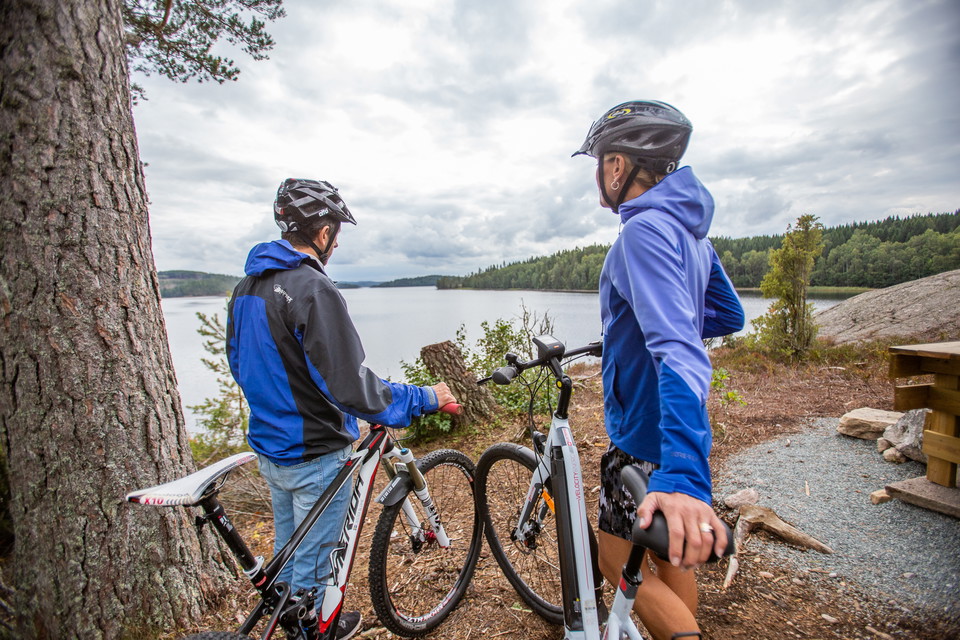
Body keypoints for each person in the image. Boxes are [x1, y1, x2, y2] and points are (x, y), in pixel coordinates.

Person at [226, 178, 456, 640]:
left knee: (289, 563)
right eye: (336, 231)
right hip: (315, 455)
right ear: (323, 232)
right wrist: (425, 397)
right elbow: (351, 384)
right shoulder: (312, 287)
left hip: (272, 450)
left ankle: (298, 625)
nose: (337, 242)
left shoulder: (247, 287)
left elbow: (241, 363)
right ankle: (314, 631)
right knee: (315, 577)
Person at [573, 101, 745, 639]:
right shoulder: (692, 234)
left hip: (643, 435)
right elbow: (728, 315)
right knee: (673, 561)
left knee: (612, 562)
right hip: (670, 430)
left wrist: (687, 478)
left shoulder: (642, 233)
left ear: (617, 166)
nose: (598, 176)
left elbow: (679, 348)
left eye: (599, 163)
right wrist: (640, 324)